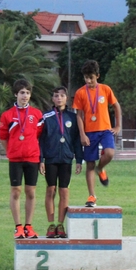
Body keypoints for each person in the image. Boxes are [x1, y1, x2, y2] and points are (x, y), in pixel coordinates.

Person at [72, 60, 122, 207]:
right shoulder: (80, 92)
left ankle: (101, 169)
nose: (88, 81)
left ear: (97, 76)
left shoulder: (105, 89)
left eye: (91, 78)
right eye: (86, 78)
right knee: (90, 164)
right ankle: (92, 196)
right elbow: (79, 115)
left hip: (105, 129)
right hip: (89, 133)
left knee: (110, 153)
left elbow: (116, 106)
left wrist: (118, 125)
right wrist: (82, 134)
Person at [0, 79, 44, 239]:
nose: (25, 96)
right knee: (16, 191)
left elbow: (39, 136)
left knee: (30, 191)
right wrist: (11, 151)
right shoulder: (7, 115)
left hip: (32, 158)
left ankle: (29, 226)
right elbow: (3, 137)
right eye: (22, 93)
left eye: (28, 93)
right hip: (15, 159)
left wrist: (40, 157)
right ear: (16, 94)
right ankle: (18, 227)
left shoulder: (37, 114)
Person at [39, 86, 84, 238]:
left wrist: (79, 159)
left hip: (66, 159)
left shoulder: (73, 117)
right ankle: (50, 225)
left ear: (67, 99)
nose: (59, 98)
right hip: (51, 158)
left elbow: (77, 140)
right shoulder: (46, 117)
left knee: (64, 191)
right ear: (52, 99)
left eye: (62, 95)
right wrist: (41, 159)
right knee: (51, 190)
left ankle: (60, 225)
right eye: (56, 96)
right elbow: (41, 140)